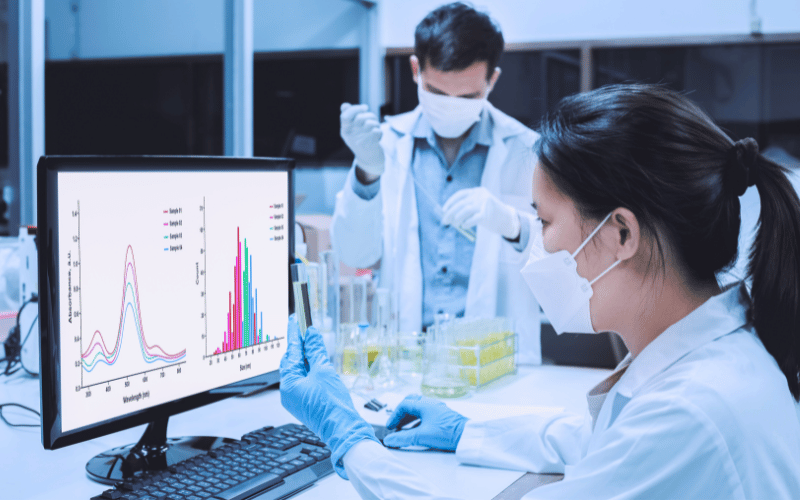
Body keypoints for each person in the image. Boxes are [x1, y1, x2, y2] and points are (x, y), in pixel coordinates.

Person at [282, 83, 800, 499]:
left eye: (544, 219)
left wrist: (349, 441)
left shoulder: (692, 411)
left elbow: (640, 443)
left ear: (621, 233)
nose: (538, 242)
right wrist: (465, 431)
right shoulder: (711, 358)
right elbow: (604, 443)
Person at [330, 2, 542, 362]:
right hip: (407, 357)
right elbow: (355, 255)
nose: (451, 106)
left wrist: (514, 225)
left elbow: (567, 264)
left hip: (495, 361)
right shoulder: (386, 146)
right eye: (438, 93)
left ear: (492, 80)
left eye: (468, 97)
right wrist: (366, 171)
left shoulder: (526, 151)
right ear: (416, 69)